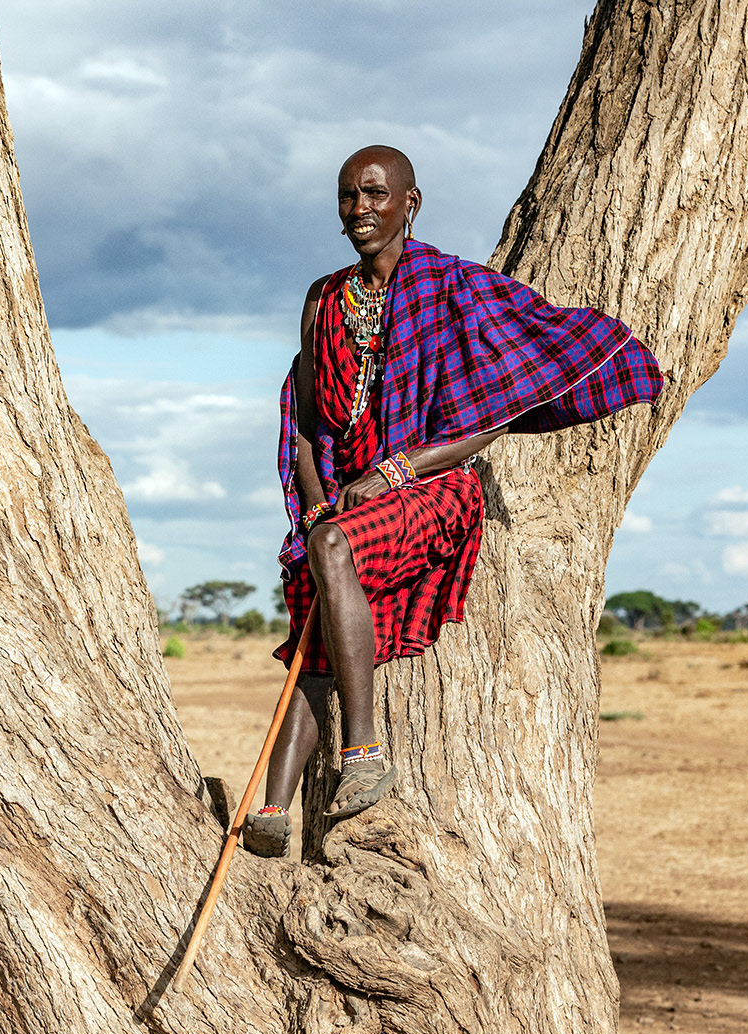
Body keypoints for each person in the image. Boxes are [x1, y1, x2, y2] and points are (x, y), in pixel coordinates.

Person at [242, 145, 663, 858]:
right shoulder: (324, 299)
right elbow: (308, 421)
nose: (359, 209)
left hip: (433, 488)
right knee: (315, 621)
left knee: (332, 550)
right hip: (345, 501)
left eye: (375, 193)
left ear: (410, 203)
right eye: (347, 196)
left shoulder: (452, 286)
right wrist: (314, 504)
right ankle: (272, 811)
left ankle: (363, 753)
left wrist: (398, 469)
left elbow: (495, 409)